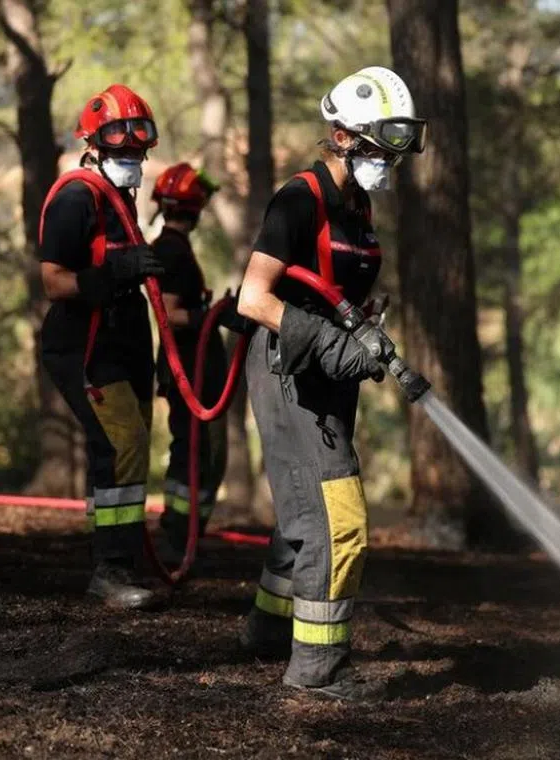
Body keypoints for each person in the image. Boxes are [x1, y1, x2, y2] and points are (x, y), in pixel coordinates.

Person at [234, 66, 426, 700]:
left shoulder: (357, 204)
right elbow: (253, 297)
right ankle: (319, 668)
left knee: (301, 508)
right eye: (378, 149)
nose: (386, 163)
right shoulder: (299, 199)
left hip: (327, 374)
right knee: (337, 520)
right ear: (342, 136)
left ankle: (268, 628)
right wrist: (329, 340)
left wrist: (365, 323)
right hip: (289, 369)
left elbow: (338, 289)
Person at [39, 84, 165, 610]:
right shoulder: (75, 197)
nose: (131, 155)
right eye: (120, 145)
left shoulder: (123, 200)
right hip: (85, 341)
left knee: (129, 444)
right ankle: (109, 570)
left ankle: (122, 558)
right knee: (122, 444)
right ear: (94, 144)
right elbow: (54, 282)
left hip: (126, 336)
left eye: (138, 146)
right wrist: (113, 272)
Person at [149, 163, 227, 567]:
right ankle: (178, 535)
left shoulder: (173, 248)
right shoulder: (170, 251)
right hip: (188, 368)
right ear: (193, 209)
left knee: (202, 450)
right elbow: (171, 315)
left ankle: (185, 531)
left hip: (196, 366)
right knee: (195, 451)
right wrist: (212, 315)